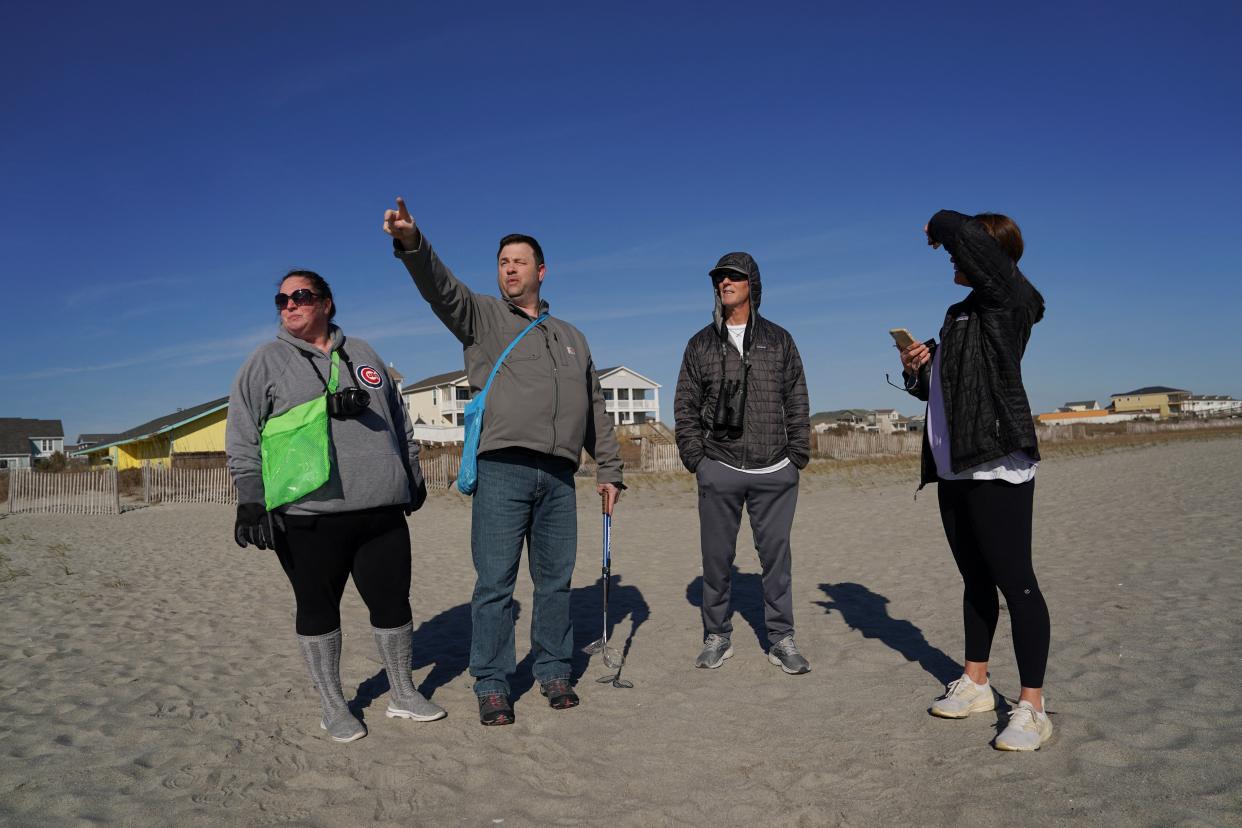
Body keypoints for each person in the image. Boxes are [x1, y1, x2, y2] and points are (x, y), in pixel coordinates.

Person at [382, 197, 624, 726]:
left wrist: (609, 469)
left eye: (518, 261)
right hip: (502, 470)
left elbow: (595, 409)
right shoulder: (483, 318)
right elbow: (440, 288)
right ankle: (492, 682)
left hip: (560, 477)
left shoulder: (573, 338)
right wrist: (411, 243)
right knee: (494, 584)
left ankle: (554, 670)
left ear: (541, 270)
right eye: (501, 262)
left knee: (555, 581)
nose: (508, 268)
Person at [226, 269, 443, 744]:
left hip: (381, 510)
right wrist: (251, 500)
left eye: (300, 296)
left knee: (393, 605)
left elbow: (399, 418)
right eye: (281, 298)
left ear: (326, 302)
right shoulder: (265, 361)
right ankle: (332, 706)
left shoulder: (363, 352)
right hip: (309, 516)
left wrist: (412, 474)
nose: (289, 305)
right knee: (319, 609)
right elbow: (243, 433)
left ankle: (403, 693)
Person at [898, 210, 1052, 751]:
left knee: (1018, 582)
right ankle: (977, 682)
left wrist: (940, 223)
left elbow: (967, 241)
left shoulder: (1011, 301)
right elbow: (950, 390)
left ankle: (1032, 706)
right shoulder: (958, 313)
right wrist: (921, 369)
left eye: (962, 251)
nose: (952, 258)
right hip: (952, 464)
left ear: (989, 256)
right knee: (975, 578)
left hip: (996, 461)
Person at [674, 252, 812, 675]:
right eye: (719, 278)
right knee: (716, 559)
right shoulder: (700, 343)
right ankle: (717, 636)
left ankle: (781, 638)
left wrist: (797, 456)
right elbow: (685, 406)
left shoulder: (780, 339)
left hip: (775, 470)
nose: (724, 283)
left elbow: (797, 399)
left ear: (752, 283)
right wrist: (699, 460)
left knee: (777, 560)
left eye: (733, 276)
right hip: (720, 466)